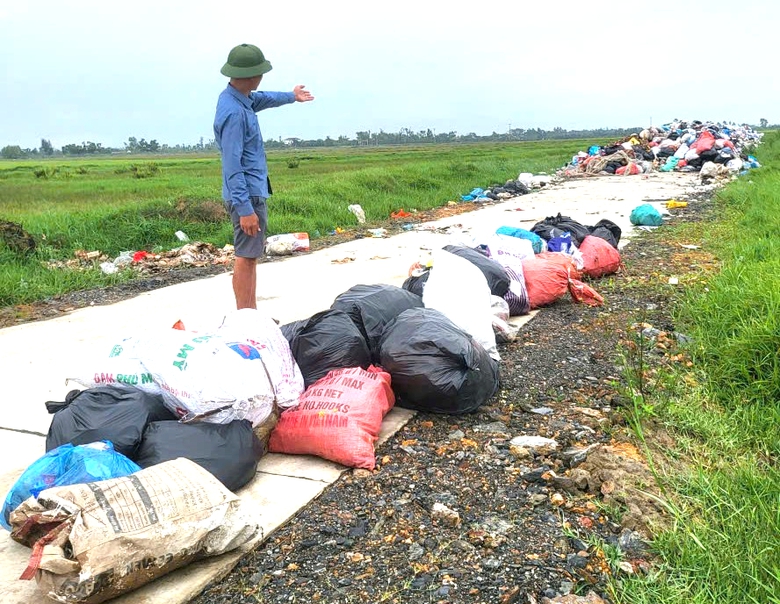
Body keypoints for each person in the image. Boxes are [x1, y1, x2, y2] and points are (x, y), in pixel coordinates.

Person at [214, 43, 314, 309]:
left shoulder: (239, 99)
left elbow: (264, 98)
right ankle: (245, 317)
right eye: (260, 72)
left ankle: (250, 314)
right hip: (246, 193)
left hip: (251, 190)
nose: (262, 77)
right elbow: (231, 165)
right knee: (245, 257)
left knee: (250, 255)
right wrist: (245, 208)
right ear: (250, 75)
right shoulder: (235, 113)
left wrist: (291, 96)